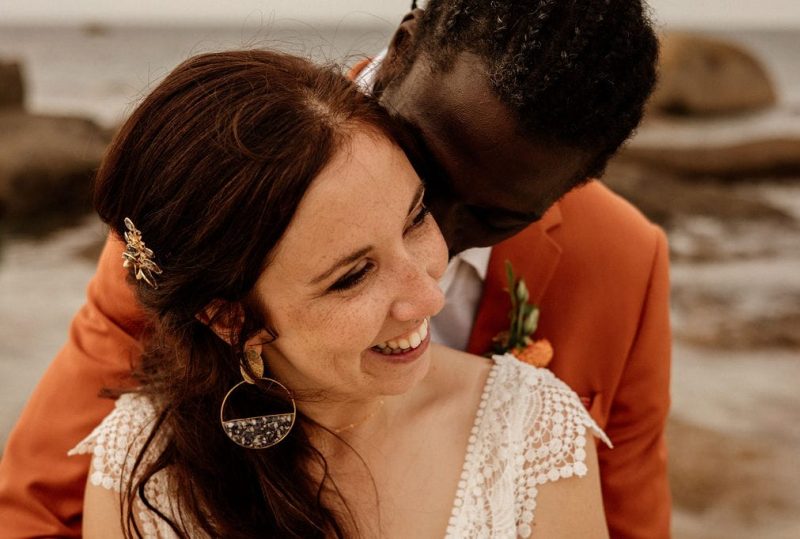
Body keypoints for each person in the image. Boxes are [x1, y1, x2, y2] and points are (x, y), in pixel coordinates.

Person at [0, 1, 668, 537]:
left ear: (573, 185)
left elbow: (632, 516)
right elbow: (35, 504)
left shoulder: (623, 268)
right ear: (403, 49)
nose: (428, 282)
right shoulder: (211, 206)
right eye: (422, 172)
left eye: (492, 218)